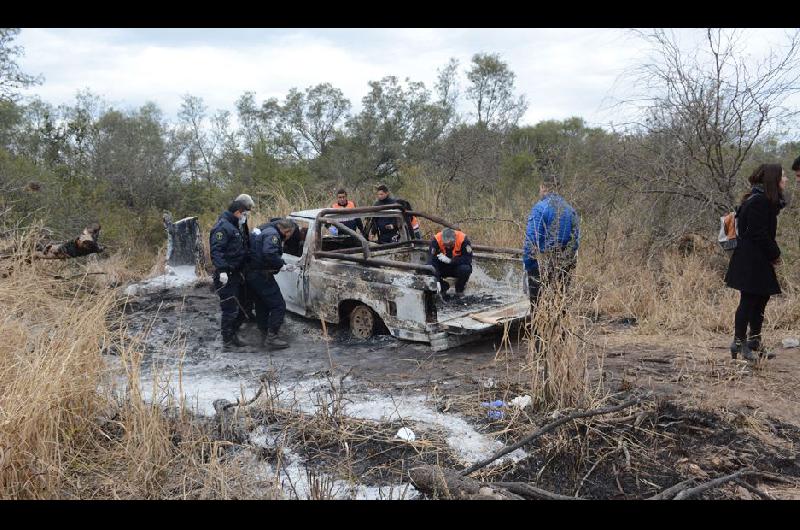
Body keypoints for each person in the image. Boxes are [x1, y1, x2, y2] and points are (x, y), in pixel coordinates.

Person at [725, 164, 787, 361]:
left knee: (761, 298)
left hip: (754, 259)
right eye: (782, 177)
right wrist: (775, 254)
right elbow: (757, 233)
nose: (785, 180)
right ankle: (739, 342)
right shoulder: (759, 201)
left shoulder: (759, 199)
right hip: (751, 260)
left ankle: (754, 341)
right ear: (773, 180)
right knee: (749, 300)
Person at [523, 174, 580, 310]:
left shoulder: (540, 208)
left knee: (538, 306)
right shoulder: (571, 210)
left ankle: (538, 330)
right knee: (559, 303)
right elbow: (575, 241)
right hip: (565, 263)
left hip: (543, 264)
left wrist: (529, 265)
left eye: (540, 188)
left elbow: (532, 239)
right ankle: (556, 329)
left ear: (544, 187)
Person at [246, 218, 296, 350]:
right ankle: (272, 338)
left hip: (252, 274)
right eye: (290, 234)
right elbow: (269, 253)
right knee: (278, 305)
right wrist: (282, 265)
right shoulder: (273, 235)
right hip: (262, 275)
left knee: (262, 304)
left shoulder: (266, 230)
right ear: (287, 231)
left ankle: (263, 334)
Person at [210, 198, 251, 348]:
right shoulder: (223, 227)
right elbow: (216, 251)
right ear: (237, 212)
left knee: (239, 307)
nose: (244, 217)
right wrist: (222, 270)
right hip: (226, 276)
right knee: (229, 309)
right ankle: (227, 340)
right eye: (244, 214)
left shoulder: (233, 226)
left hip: (236, 273)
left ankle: (233, 335)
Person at [429, 228, 473, 297]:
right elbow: (431, 261)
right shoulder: (436, 240)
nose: (448, 247)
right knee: (428, 269)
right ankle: (443, 287)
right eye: (445, 245)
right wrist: (436, 279)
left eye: (450, 245)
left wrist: (451, 261)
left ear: (455, 239)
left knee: (466, 269)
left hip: (456, 266)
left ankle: (459, 290)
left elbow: (468, 259)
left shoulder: (463, 240)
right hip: (442, 267)